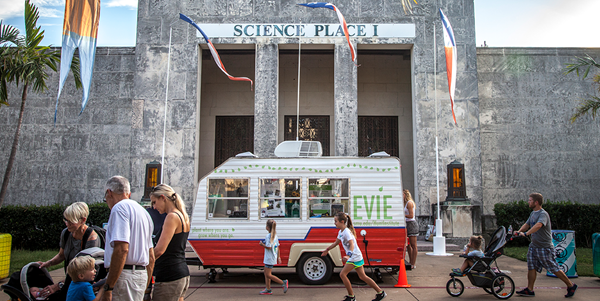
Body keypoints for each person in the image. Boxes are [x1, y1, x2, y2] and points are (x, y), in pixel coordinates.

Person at [513, 193, 577, 298]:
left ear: (536, 202)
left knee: (553, 268)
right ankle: (529, 290)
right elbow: (527, 224)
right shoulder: (533, 213)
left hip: (545, 247)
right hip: (534, 246)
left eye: (530, 200)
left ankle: (571, 285)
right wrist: (518, 231)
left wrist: (526, 234)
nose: (528, 202)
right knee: (531, 267)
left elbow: (539, 225)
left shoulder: (543, 214)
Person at [101, 176, 155, 301]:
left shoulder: (119, 209)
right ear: (128, 193)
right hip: (140, 275)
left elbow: (121, 249)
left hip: (123, 275)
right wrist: (145, 282)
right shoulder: (144, 212)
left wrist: (109, 286)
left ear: (109, 192)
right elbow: (150, 256)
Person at [39, 202, 101, 300]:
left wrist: (58, 285)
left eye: (71, 221)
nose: (67, 224)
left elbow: (83, 271)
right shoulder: (66, 233)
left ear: (83, 220)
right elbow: (61, 255)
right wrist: (48, 264)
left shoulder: (91, 239)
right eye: (66, 220)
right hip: (72, 280)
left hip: (81, 281)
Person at [321, 212, 386, 301]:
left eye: (336, 221)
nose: (334, 223)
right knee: (363, 277)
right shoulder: (341, 232)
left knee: (342, 274)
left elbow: (352, 245)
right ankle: (381, 293)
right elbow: (336, 243)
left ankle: (351, 297)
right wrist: (327, 250)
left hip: (354, 257)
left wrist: (348, 255)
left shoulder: (347, 232)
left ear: (342, 221)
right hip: (356, 256)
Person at [149, 184, 191, 301]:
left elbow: (159, 250)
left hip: (169, 276)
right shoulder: (183, 216)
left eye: (154, 202)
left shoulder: (171, 217)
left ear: (163, 198)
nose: (153, 207)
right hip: (181, 273)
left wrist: (143, 263)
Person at [258, 219, 288, 295]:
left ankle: (283, 282)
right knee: (266, 273)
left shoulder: (268, 236)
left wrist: (262, 245)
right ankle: (268, 289)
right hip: (273, 257)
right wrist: (279, 257)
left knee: (268, 274)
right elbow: (277, 247)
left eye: (266, 225)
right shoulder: (275, 235)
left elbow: (268, 247)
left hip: (269, 258)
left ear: (268, 227)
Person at [403, 189, 418, 269]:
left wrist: (403, 215)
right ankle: (410, 261)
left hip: (411, 224)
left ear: (405, 195)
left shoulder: (409, 203)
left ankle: (413, 262)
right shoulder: (404, 203)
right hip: (406, 224)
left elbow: (411, 215)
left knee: (413, 245)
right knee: (408, 244)